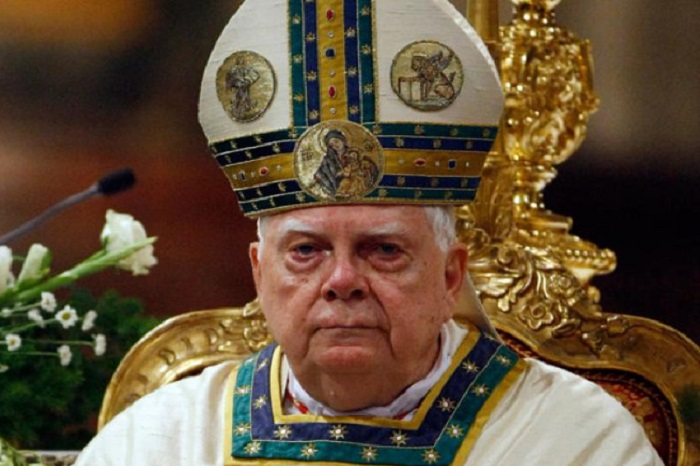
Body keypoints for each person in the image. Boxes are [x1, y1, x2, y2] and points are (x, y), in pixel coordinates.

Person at [75, 0, 663, 464]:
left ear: (450, 277)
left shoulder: (571, 439)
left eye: (383, 250)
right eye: (306, 250)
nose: (342, 280)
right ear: (259, 273)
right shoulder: (164, 440)